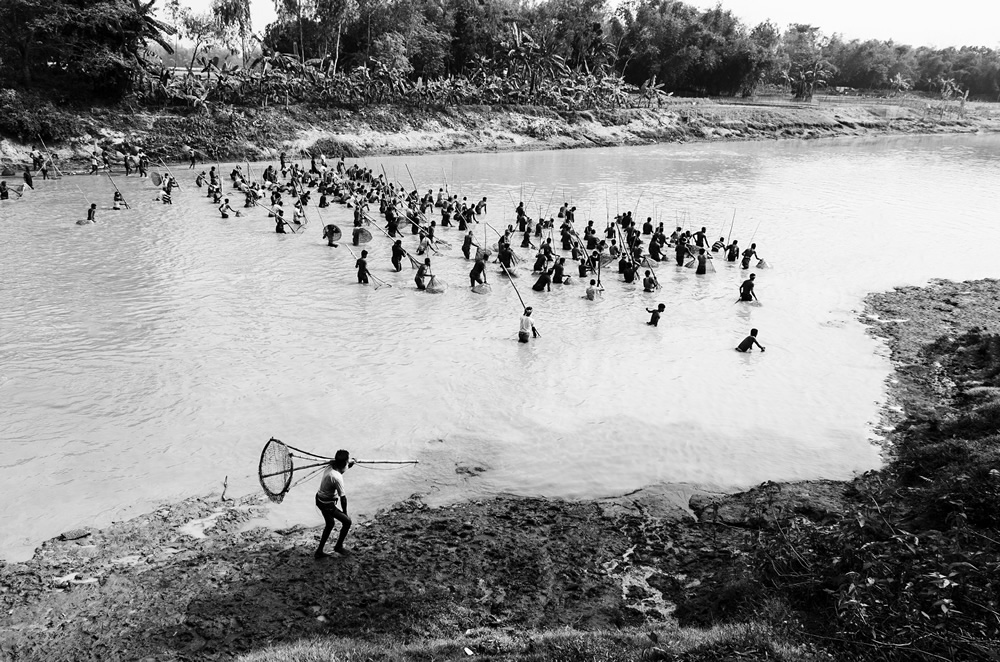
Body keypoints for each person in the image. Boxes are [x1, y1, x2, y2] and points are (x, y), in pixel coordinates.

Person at [314, 450, 354, 559]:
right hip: (327, 504)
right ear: (344, 463)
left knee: (330, 524)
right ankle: (338, 546)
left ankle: (319, 551)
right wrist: (345, 513)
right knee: (347, 522)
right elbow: (343, 498)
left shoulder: (330, 466)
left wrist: (350, 464)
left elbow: (341, 469)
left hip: (319, 499)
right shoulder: (337, 478)